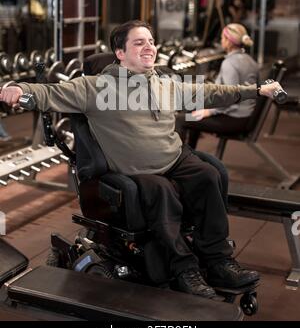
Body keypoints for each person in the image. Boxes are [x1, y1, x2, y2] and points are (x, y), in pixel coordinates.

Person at [0, 20, 282, 301]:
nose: (149, 47)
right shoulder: (95, 87)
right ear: (119, 53)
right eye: (139, 42)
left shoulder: (165, 83)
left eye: (151, 41)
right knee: (162, 192)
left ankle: (218, 261)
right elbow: (49, 93)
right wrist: (18, 88)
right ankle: (185, 270)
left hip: (174, 158)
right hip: (137, 170)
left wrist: (256, 90)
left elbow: (212, 92)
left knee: (209, 175)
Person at [176, 23, 259, 148]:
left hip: (234, 119)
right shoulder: (250, 60)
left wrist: (209, 112)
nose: (220, 41)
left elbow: (230, 97)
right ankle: (190, 154)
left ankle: (179, 160)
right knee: (192, 109)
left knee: (180, 119)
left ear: (228, 42)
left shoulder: (229, 63)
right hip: (245, 115)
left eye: (222, 38)